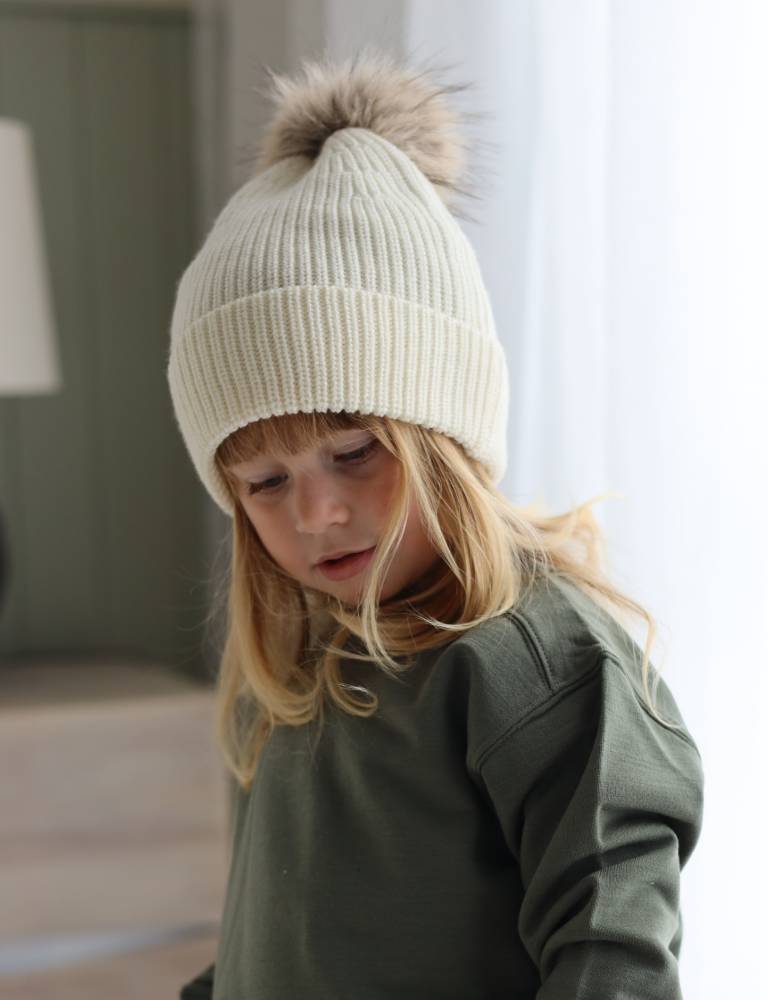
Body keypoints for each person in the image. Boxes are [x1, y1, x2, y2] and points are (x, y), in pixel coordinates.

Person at [168, 45, 705, 1000]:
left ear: (444, 435)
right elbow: (283, 933)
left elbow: (611, 958)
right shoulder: (298, 659)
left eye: (356, 451)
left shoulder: (539, 662)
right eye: (264, 481)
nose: (318, 512)